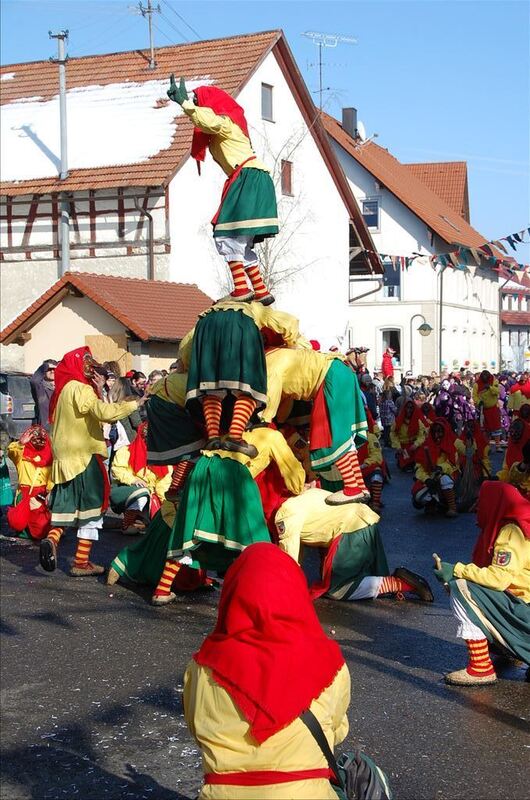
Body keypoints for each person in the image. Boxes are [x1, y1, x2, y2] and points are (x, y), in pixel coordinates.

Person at [183, 542, 351, 799]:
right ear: (295, 594)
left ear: (232, 595)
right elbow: (337, 730)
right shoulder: (331, 664)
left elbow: (198, 730)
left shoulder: (202, 666)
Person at [108, 426, 305, 605]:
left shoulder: (221, 428)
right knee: (253, 540)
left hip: (200, 475)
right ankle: (266, 597)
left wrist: (176, 490)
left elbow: (188, 457)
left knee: (189, 536)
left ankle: (160, 588)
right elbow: (295, 478)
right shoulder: (272, 436)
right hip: (232, 479)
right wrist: (301, 486)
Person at [167, 78, 277, 304]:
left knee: (226, 233)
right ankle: (260, 290)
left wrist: (187, 104)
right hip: (253, 178)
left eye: (200, 101)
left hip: (247, 179)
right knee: (240, 237)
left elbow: (210, 121)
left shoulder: (226, 123)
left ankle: (241, 288)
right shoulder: (231, 128)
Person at [39, 347, 144, 577]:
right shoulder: (80, 389)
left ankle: (52, 539)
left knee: (66, 507)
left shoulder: (65, 389)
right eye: (87, 361)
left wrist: (97, 389)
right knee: (92, 509)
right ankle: (81, 561)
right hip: (84, 457)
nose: (91, 366)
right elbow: (102, 412)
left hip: (65, 460)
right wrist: (135, 404)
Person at [434, 482, 530, 686]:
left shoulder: (513, 531)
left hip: (526, 613)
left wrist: (456, 570)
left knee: (461, 588)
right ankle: (509, 649)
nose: (477, 507)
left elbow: (498, 579)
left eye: (481, 501)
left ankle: (480, 668)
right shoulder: (525, 521)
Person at [179, 300, 300, 457]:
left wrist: (191, 365)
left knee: (212, 390)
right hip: (242, 328)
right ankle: (235, 437)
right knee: (249, 389)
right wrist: (291, 346)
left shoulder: (208, 312)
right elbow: (289, 322)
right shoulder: (253, 307)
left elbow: (185, 347)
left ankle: (213, 437)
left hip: (207, 331)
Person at [276, 489, 433, 604]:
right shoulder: (302, 494)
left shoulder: (286, 512)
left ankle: (400, 583)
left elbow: (288, 558)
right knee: (362, 575)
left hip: (351, 531)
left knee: (339, 589)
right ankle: (397, 579)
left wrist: (284, 589)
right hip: (364, 522)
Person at [262, 347, 369, 504]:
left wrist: (263, 420)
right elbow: (283, 406)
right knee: (345, 436)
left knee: (332, 434)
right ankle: (359, 486)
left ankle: (352, 487)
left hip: (329, 376)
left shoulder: (269, 363)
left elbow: (271, 398)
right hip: (339, 371)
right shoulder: (284, 355)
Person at [146, 370, 206, 501]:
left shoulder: (186, 376)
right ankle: (176, 486)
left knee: (196, 447)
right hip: (168, 404)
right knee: (196, 447)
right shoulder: (192, 379)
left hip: (166, 401)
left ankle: (176, 486)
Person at [110, 422, 172, 533]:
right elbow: (117, 470)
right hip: (124, 490)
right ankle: (127, 524)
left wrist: (166, 504)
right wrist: (133, 480)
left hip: (150, 495)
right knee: (142, 494)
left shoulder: (161, 458)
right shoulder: (126, 450)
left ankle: (141, 521)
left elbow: (163, 484)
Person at [6, 425, 53, 540]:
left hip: (40, 495)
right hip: (24, 493)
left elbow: (52, 477)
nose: (39, 442)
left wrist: (49, 491)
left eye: (42, 439)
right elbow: (11, 452)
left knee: (40, 529)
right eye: (35, 439)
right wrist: (20, 444)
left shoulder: (49, 456)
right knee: (19, 522)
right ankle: (23, 531)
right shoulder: (21, 455)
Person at [412, 419, 464, 517]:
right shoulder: (425, 446)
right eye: (435, 431)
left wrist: (441, 468)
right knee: (419, 496)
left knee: (444, 479)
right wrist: (426, 479)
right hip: (430, 477)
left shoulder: (451, 445)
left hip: (448, 476)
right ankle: (431, 504)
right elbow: (418, 468)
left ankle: (452, 507)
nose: (437, 434)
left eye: (440, 431)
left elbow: (453, 465)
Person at [390, 399, 428, 471]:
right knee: (404, 466)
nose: (409, 410)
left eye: (411, 408)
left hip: (414, 446)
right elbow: (393, 434)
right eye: (407, 408)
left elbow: (422, 436)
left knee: (419, 461)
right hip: (403, 447)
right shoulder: (398, 421)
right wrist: (398, 447)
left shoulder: (418, 422)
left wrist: (416, 444)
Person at [473, 370, 502, 451]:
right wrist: (479, 402)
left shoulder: (494, 381)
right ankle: (487, 446)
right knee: (485, 428)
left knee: (496, 427)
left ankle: (498, 445)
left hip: (493, 408)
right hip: (483, 409)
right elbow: (474, 396)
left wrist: (490, 387)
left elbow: (497, 391)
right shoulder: (476, 384)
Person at [30, 359, 57, 430]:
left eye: (54, 369)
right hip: (45, 427)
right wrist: (45, 366)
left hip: (60, 427)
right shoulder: (40, 388)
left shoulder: (62, 387)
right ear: (44, 371)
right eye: (49, 369)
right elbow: (34, 381)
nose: (52, 371)